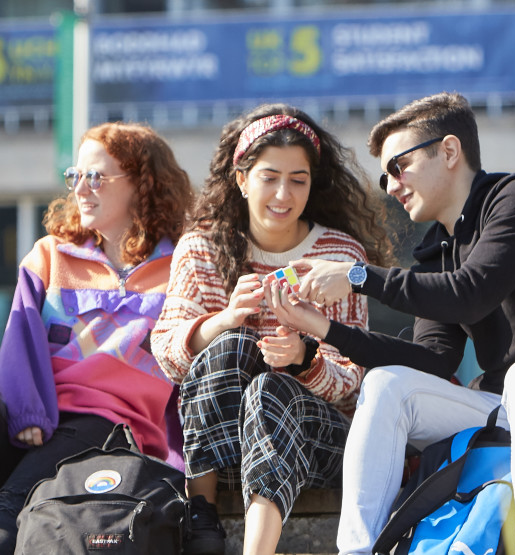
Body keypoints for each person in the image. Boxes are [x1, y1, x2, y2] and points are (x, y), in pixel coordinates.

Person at [284, 92, 515, 555]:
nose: (391, 186)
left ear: (450, 151)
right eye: (385, 176)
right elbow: (433, 360)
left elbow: (471, 292)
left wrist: (358, 276)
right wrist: (324, 329)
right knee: (386, 385)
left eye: (399, 166)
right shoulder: (437, 249)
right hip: (505, 410)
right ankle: (356, 551)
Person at [0, 122, 194, 555]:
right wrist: (28, 413)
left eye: (96, 176)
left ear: (143, 183)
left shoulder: (181, 267)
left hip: (110, 436)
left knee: (6, 507)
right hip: (33, 431)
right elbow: (20, 342)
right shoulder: (49, 254)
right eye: (75, 175)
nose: (80, 188)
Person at [150, 105, 395, 555]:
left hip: (315, 444)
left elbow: (354, 382)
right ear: (242, 180)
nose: (283, 194)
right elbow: (167, 354)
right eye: (269, 177)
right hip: (222, 448)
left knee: (270, 389)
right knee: (232, 342)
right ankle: (201, 514)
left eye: (298, 180)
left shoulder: (339, 256)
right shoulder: (201, 247)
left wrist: (303, 359)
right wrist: (224, 319)